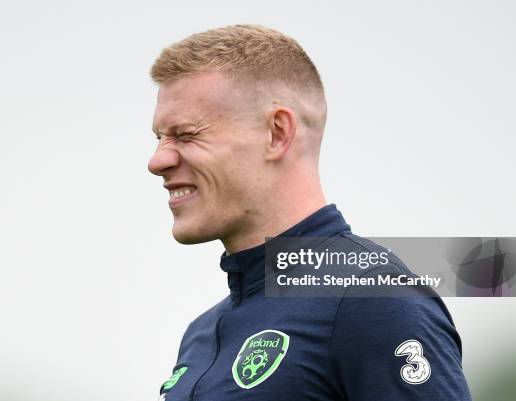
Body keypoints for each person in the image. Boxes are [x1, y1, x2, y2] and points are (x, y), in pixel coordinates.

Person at [148, 25, 471, 401]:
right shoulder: (200, 334)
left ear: (277, 133)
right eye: (159, 138)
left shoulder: (372, 300)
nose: (158, 161)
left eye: (186, 135)